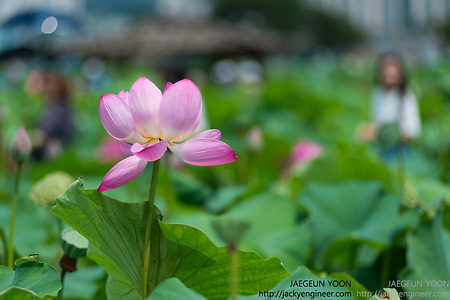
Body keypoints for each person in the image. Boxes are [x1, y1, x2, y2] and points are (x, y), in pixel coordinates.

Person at [358, 53, 421, 159]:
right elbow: (377, 121)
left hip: (400, 151)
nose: (388, 73)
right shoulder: (377, 93)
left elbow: (413, 131)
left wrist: (386, 132)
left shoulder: (405, 96)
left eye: (393, 74)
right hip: (381, 148)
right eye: (385, 69)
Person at [32, 72, 75, 161]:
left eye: (50, 85)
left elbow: (40, 136)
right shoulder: (63, 106)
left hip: (52, 155)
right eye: (46, 84)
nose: (47, 88)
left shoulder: (58, 109)